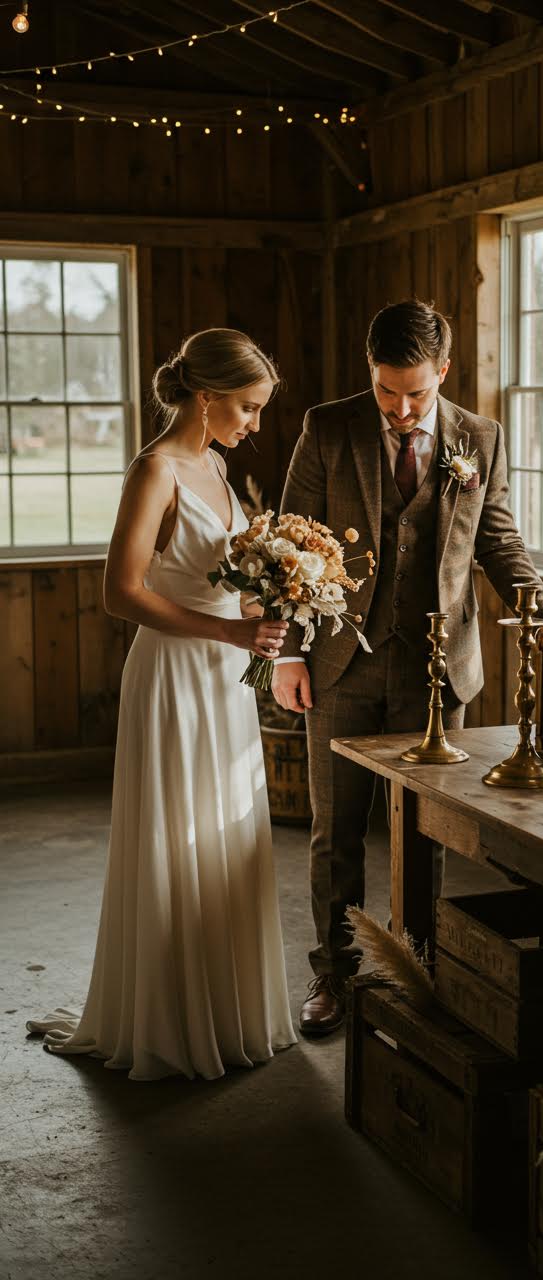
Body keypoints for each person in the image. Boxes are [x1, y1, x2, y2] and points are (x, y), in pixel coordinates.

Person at [273, 300, 543, 1037]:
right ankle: (335, 973)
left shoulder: (482, 437)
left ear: (444, 371)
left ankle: (420, 968)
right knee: (335, 832)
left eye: (417, 391)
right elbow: (286, 546)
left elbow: (496, 538)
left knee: (426, 833)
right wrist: (286, 652)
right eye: (386, 391)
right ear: (369, 374)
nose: (403, 408)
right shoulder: (328, 426)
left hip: (438, 672)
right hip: (340, 660)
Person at [27, 328, 297, 1081]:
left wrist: (272, 598)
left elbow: (223, 570)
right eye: (246, 407)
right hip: (176, 675)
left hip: (226, 674)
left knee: (225, 836)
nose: (252, 423)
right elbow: (121, 591)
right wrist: (228, 628)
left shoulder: (214, 462)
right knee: (177, 834)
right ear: (205, 397)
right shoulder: (157, 469)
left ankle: (229, 1009)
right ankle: (170, 1021)